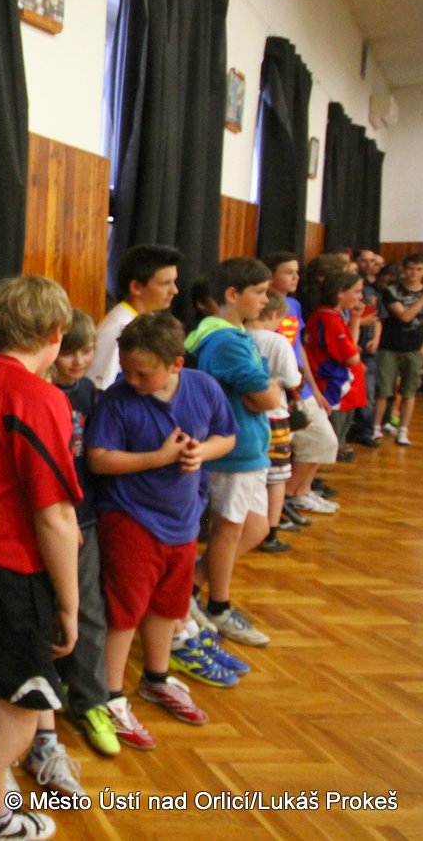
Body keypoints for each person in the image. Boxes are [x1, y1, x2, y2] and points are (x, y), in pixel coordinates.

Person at [0, 275, 80, 841]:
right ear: (56, 332)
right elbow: (54, 516)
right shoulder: (38, 397)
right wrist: (70, 605)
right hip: (10, 575)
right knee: (15, 725)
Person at [87, 312, 237, 749]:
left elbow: (226, 436)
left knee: (168, 606)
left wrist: (201, 452)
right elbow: (99, 459)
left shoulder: (204, 388)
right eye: (126, 370)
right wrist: (160, 458)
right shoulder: (117, 401)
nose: (131, 379)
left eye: (143, 373)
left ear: (176, 364)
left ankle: (156, 678)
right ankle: (112, 696)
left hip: (183, 520)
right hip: (131, 520)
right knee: (125, 611)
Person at [184, 257, 282, 647]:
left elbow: (265, 395)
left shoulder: (234, 335)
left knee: (257, 527)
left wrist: (264, 392)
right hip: (234, 451)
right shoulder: (223, 341)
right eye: (259, 292)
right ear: (232, 294)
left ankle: (190, 585)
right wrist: (266, 391)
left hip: (249, 448)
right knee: (229, 529)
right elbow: (267, 397)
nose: (266, 300)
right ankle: (219, 606)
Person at [50, 310, 120, 759]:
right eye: (69, 352)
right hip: (48, 521)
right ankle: (45, 701)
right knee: (49, 612)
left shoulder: (92, 395)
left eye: (87, 351)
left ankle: (92, 702)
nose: (78, 361)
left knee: (89, 611)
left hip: (86, 519)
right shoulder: (38, 394)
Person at [261, 251, 339, 530]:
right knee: (281, 453)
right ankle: (282, 500)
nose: (295, 277)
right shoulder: (262, 307)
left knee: (323, 441)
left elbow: (298, 348)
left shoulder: (293, 305)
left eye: (297, 272)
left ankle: (298, 492)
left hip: (300, 388)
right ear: (271, 276)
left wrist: (314, 388)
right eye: (288, 272)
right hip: (279, 391)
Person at [245, 290, 304, 553]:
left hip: (244, 414)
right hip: (275, 415)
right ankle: (271, 532)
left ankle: (245, 526)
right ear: (273, 314)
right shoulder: (277, 341)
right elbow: (292, 379)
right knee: (276, 477)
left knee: (250, 473)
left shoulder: (237, 335)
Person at [87, 244, 182, 389]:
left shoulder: (147, 319)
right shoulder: (119, 327)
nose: (174, 290)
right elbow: (101, 386)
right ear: (136, 287)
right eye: (165, 283)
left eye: (174, 281)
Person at [304, 272, 368, 456]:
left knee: (338, 437)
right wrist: (355, 355)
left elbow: (350, 346)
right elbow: (352, 358)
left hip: (342, 385)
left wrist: (355, 319)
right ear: (340, 292)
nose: (360, 297)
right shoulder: (329, 319)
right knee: (330, 440)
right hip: (334, 385)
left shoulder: (333, 315)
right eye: (356, 291)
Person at [374, 253, 423, 446]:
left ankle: (403, 430)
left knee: (409, 392)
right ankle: (376, 427)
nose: (414, 273)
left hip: (414, 349)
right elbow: (404, 316)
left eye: (419, 269)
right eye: (410, 268)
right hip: (389, 347)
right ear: (404, 270)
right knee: (384, 390)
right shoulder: (392, 291)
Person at [350, 249, 384, 446]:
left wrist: (376, 339)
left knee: (368, 393)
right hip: (350, 346)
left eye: (372, 261)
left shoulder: (372, 291)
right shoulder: (343, 291)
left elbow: (378, 319)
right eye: (364, 261)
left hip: (369, 347)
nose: (369, 265)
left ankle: (365, 431)